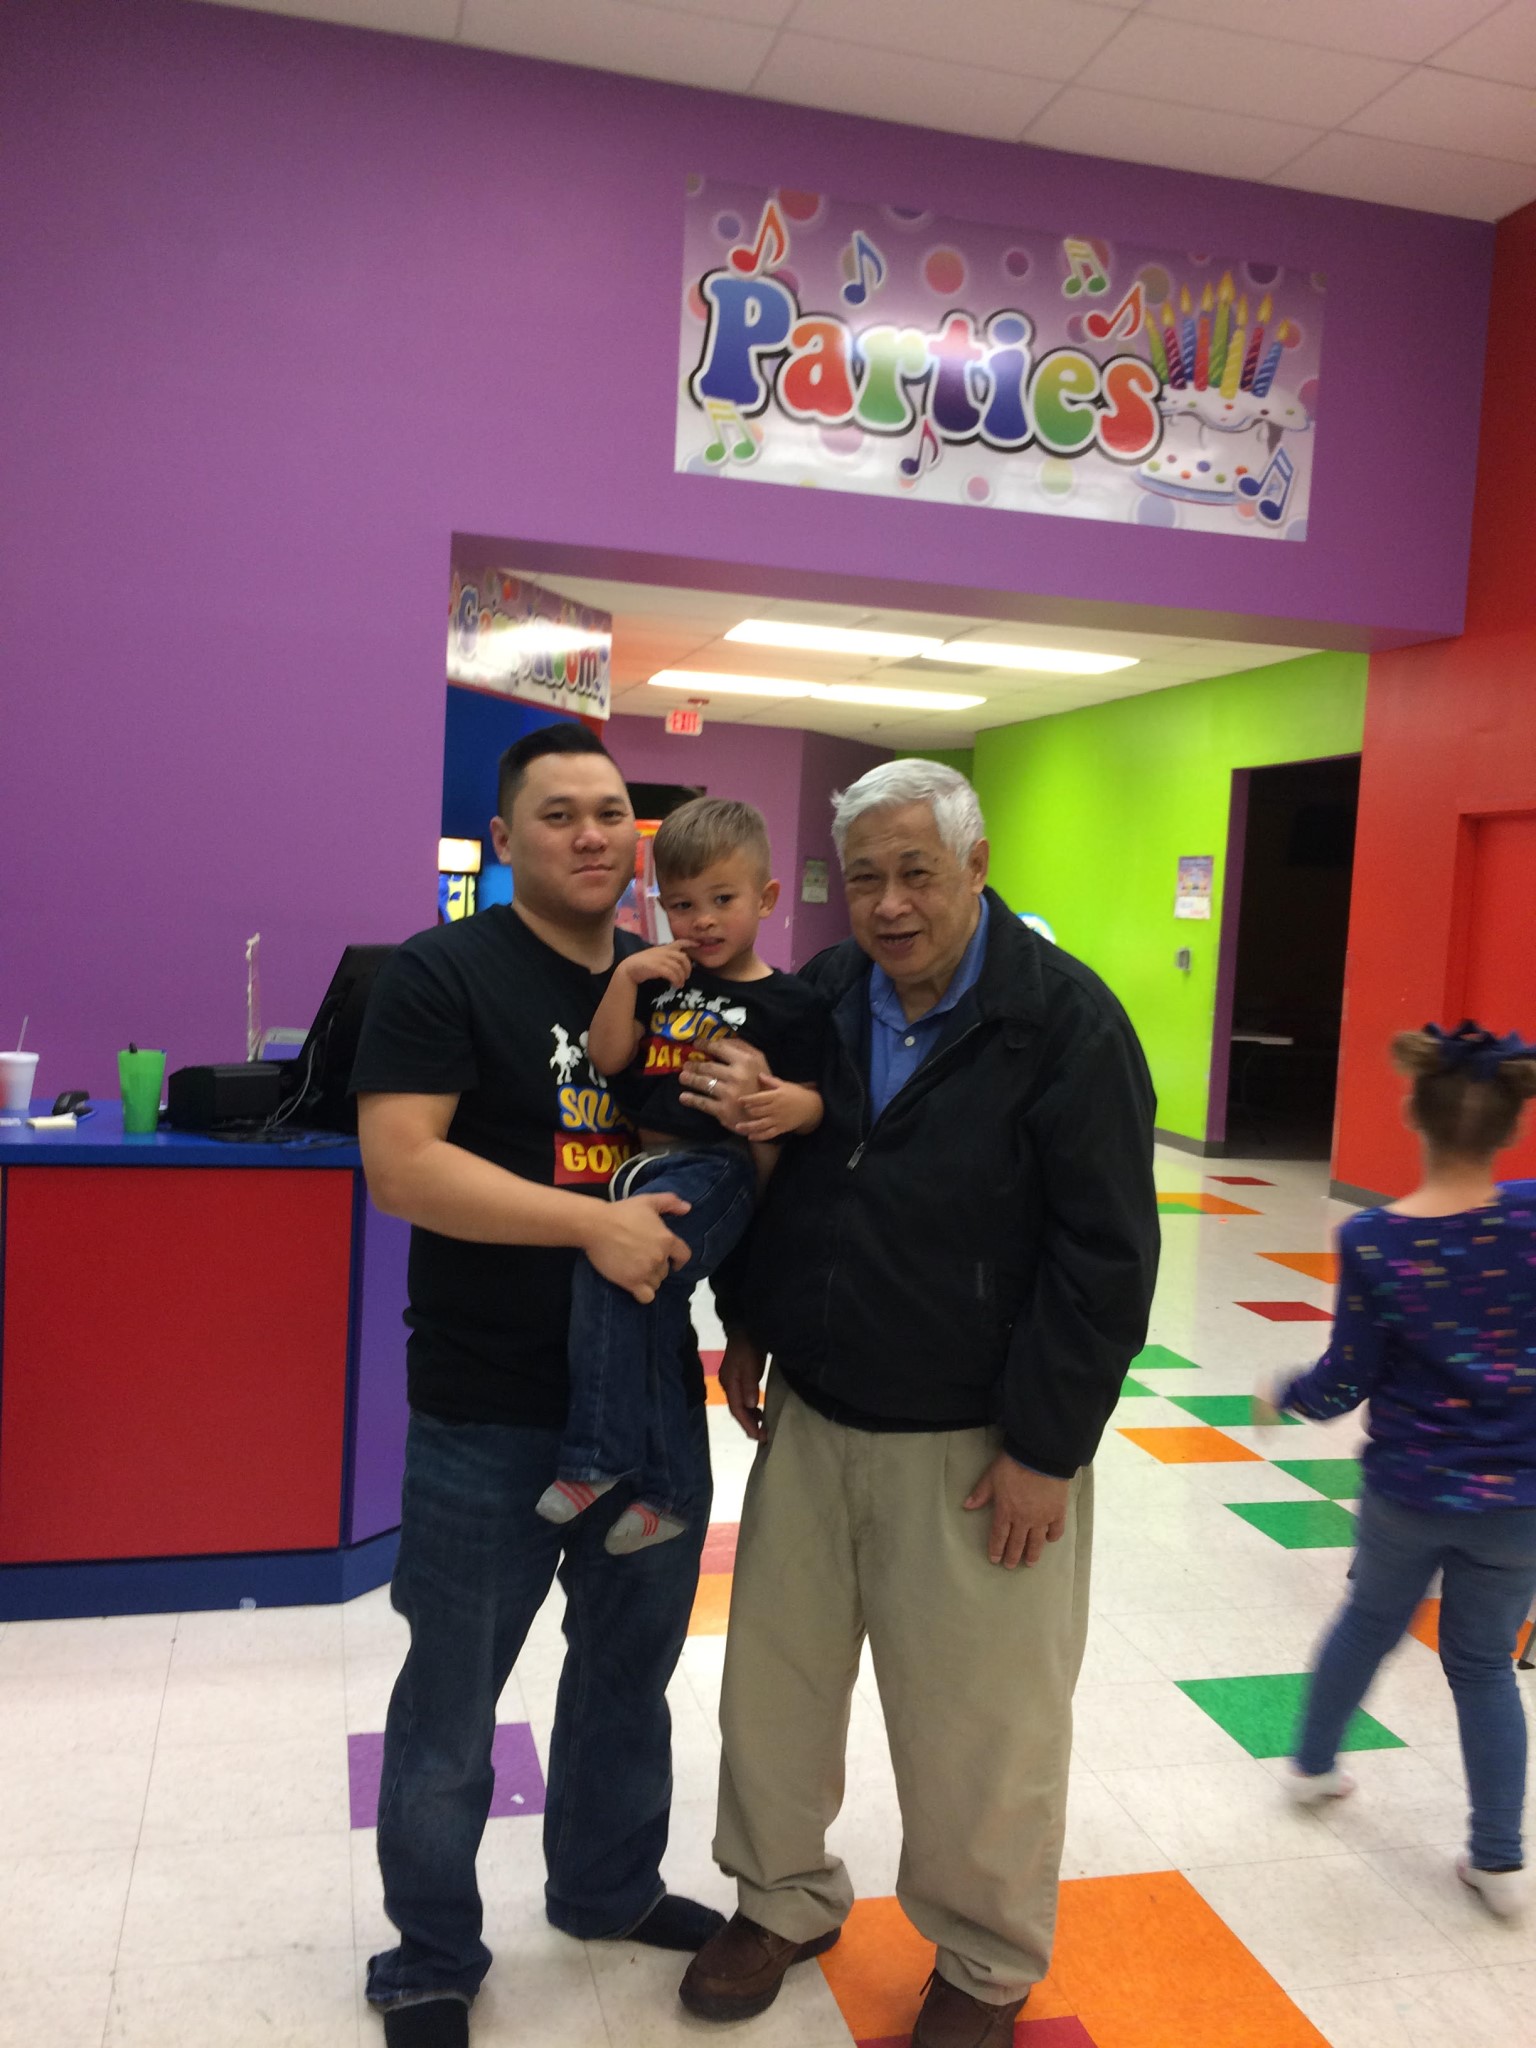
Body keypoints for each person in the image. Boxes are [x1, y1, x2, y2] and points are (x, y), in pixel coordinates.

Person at [672, 759, 1160, 2048]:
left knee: (981, 1725)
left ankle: (986, 1960)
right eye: (867, 878)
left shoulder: (1064, 1024)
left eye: (917, 873)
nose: (890, 904)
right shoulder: (832, 993)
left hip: (977, 1438)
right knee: (773, 1689)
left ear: (977, 866)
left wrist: (1047, 1447)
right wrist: (754, 1318)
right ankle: (780, 1896)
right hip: (819, 1415)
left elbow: (1106, 1258)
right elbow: (788, 1170)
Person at [351, 722, 725, 2048]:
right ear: (505, 839)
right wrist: (587, 1224)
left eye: (610, 812)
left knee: (628, 1673)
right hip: (489, 1405)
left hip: (649, 1402)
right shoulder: (442, 972)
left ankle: (608, 1887)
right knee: (454, 1698)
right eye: (559, 814)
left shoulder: (672, 980)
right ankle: (430, 1954)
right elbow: (403, 1165)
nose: (592, 834)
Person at [1264, 1021, 1536, 1921]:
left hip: (1408, 1492)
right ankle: (1498, 1860)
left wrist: (1284, 1393)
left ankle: (1312, 1767)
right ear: (1512, 1125)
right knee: (1483, 1666)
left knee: (1368, 1623)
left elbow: (1346, 1379)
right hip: (1519, 1499)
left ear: (1413, 1115)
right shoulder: (1530, 1217)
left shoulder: (1376, 1240)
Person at [535, 796, 824, 1554]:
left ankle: (596, 1457)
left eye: (723, 900)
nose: (702, 921)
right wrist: (626, 978)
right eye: (683, 905)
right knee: (644, 1296)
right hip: (646, 1166)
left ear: (766, 898)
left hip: (720, 1167)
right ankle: (664, 1491)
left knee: (621, 1262)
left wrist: (796, 1105)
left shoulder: (791, 1002)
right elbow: (608, 1057)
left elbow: (820, 1104)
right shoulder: (660, 981)